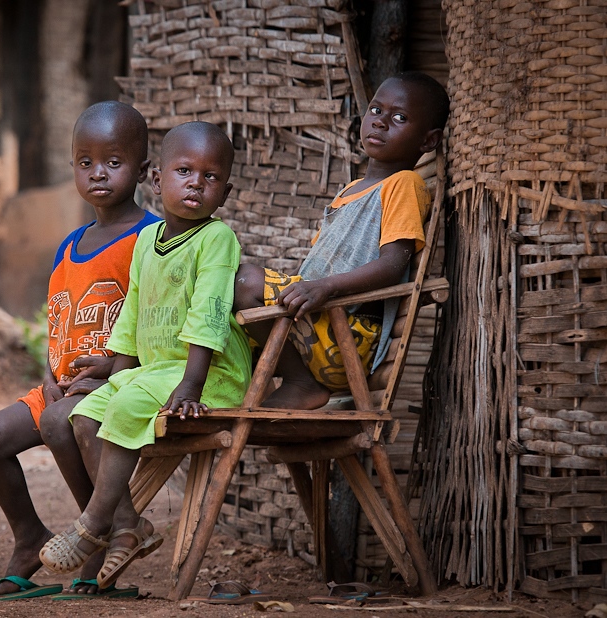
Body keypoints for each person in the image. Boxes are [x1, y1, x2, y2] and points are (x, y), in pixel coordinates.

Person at [38, 121, 252, 589]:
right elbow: (131, 317)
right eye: (183, 171)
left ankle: (95, 524)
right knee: (85, 413)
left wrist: (191, 385)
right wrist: (116, 373)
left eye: (210, 177)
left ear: (226, 191)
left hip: (209, 375)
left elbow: (210, 312)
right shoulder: (146, 245)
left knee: (125, 404)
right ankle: (129, 523)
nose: (196, 183)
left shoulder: (216, 239)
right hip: (157, 372)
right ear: (156, 179)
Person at [0, 101, 160, 600]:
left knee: (64, 423)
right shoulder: (70, 244)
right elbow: (60, 321)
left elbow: (161, 324)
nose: (98, 173)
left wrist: (114, 369)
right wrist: (51, 376)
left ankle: (95, 542)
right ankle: (28, 536)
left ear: (142, 170)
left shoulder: (152, 240)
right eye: (85, 162)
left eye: (114, 162)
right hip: (63, 385)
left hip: (119, 384)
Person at [233, 71, 449, 410]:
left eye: (400, 117)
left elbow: (393, 266)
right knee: (214, 297)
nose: (380, 122)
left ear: (428, 141)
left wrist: (325, 288)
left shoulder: (404, 184)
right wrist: (310, 288)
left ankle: (300, 384)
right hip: (316, 325)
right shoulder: (349, 191)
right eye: (376, 110)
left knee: (247, 281)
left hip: (346, 337)